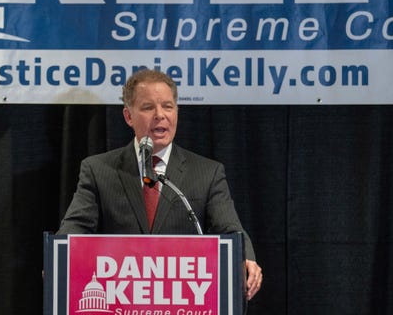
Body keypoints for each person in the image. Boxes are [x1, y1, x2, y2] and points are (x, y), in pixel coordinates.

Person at [57, 69, 263, 300]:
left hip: (182, 298)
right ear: (128, 116)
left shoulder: (207, 172)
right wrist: (58, 259)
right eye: (147, 108)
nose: (160, 115)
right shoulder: (98, 169)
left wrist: (245, 256)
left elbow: (230, 228)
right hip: (120, 297)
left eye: (167, 106)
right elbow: (76, 227)